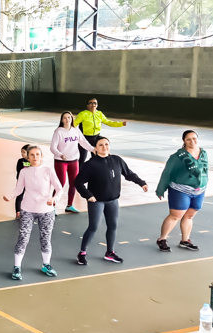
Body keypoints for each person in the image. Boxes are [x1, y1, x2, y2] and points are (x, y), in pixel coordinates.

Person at [74, 137, 148, 265]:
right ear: (95, 148)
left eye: (106, 144)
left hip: (113, 200)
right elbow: (78, 182)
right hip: (97, 201)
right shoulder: (90, 164)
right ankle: (82, 253)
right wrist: (88, 195)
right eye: (101, 145)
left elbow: (129, 174)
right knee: (93, 227)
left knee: (112, 226)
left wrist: (141, 183)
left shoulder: (117, 160)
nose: (104, 147)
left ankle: (110, 253)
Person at [3, 146, 64, 281]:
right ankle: (17, 267)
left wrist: (54, 199)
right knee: (23, 238)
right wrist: (10, 196)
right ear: (28, 157)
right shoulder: (24, 172)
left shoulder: (48, 170)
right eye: (32, 155)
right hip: (27, 210)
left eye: (37, 154)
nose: (35, 157)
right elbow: (18, 189)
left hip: (46, 211)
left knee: (45, 238)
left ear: (41, 156)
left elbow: (59, 189)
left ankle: (46, 265)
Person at [155, 130, 208, 253]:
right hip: (180, 190)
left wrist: (205, 182)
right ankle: (162, 239)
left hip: (199, 191)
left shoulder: (203, 153)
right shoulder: (177, 157)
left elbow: (205, 169)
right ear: (184, 141)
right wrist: (161, 189)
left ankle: (185, 240)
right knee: (176, 216)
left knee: (189, 215)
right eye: (188, 139)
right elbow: (167, 173)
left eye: (194, 138)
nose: (192, 141)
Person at [50, 111, 94, 214]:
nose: (67, 120)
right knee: (60, 184)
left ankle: (69, 205)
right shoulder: (58, 132)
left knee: (73, 183)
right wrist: (60, 154)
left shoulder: (76, 130)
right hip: (61, 162)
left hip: (74, 161)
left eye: (69, 117)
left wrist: (93, 149)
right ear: (62, 120)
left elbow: (83, 142)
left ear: (72, 119)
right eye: (65, 118)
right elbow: (52, 147)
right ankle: (52, 205)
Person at [75, 98, 126, 164]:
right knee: (82, 158)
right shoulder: (83, 114)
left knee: (96, 158)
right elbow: (74, 124)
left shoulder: (99, 114)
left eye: (95, 103)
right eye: (91, 103)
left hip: (96, 138)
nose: (93, 105)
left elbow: (108, 122)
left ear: (97, 105)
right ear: (87, 105)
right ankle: (80, 170)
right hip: (85, 138)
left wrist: (121, 124)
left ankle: (95, 170)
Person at [13, 144, 30, 220]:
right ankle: (18, 212)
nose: (22, 154)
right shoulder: (21, 161)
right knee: (20, 196)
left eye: (24, 152)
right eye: (21, 152)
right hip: (21, 182)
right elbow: (18, 170)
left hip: (30, 182)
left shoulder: (32, 161)